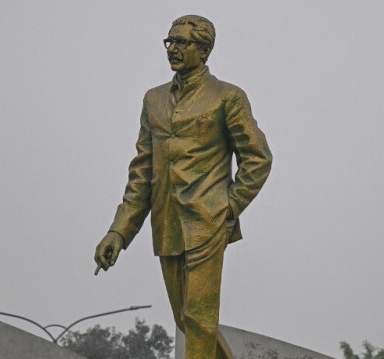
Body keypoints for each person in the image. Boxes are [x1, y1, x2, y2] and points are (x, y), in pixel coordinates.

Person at [94, 15, 272, 359]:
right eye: (169, 42)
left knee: (200, 320)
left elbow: (258, 158)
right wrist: (118, 232)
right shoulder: (153, 100)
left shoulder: (227, 97)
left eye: (182, 42)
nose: (173, 49)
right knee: (184, 318)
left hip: (208, 220)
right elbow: (142, 173)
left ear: (204, 50)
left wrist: (229, 207)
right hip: (166, 221)